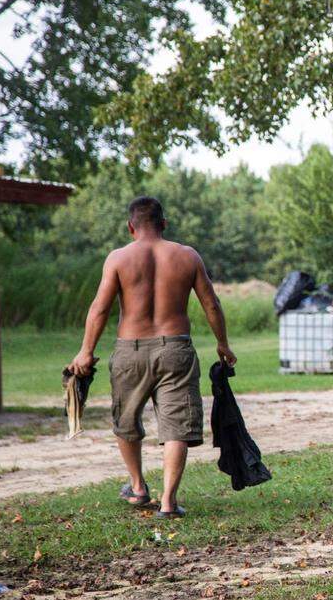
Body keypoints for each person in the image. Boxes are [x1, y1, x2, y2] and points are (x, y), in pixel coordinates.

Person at [67, 196, 236, 519]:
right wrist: (223, 344)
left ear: (131, 227)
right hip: (176, 349)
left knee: (127, 420)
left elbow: (99, 308)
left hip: (130, 350)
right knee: (176, 425)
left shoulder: (118, 258)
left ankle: (138, 486)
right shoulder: (187, 256)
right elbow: (211, 303)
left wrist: (86, 350)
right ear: (164, 224)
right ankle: (169, 502)